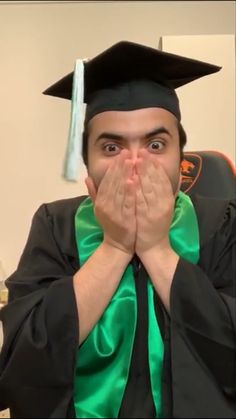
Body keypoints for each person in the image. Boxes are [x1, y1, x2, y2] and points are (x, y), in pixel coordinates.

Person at [0, 41, 235, 419]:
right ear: (87, 164)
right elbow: (20, 371)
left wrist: (157, 248)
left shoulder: (223, 225)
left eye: (156, 144)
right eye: (111, 148)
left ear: (181, 159)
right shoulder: (54, 226)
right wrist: (115, 245)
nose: (135, 165)